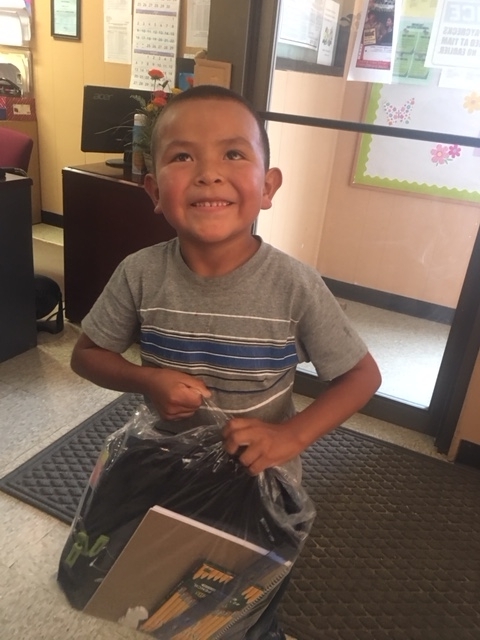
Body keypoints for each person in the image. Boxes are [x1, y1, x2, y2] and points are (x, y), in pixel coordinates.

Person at [71, 84, 381, 640]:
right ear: (154, 191)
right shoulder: (139, 274)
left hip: (259, 484)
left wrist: (292, 436)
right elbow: (86, 355)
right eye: (183, 156)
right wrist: (146, 379)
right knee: (162, 593)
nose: (209, 173)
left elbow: (361, 376)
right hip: (161, 473)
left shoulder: (293, 286)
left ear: (268, 187)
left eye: (233, 154)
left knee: (240, 601)